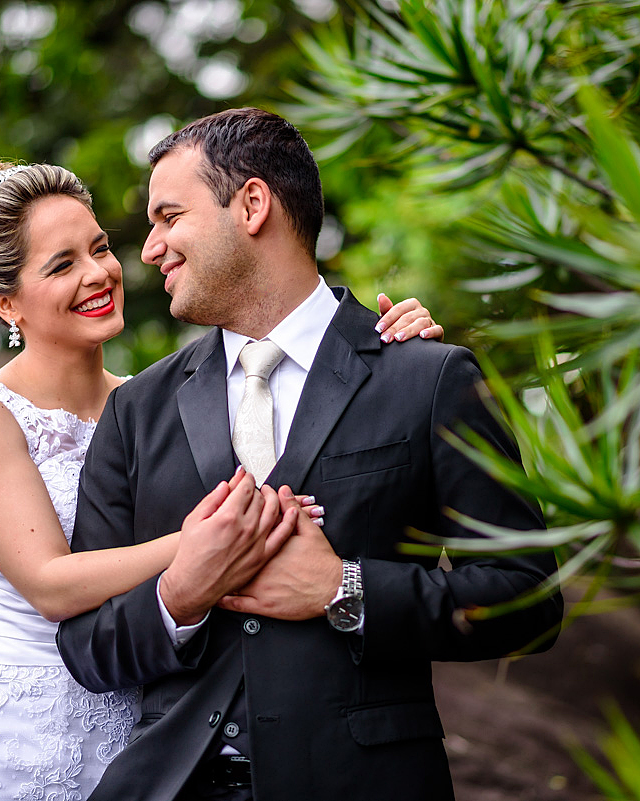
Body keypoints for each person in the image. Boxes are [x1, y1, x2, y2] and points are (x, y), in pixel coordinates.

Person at [55, 108, 563, 801]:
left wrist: (343, 589)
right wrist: (181, 592)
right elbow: (86, 644)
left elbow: (528, 599)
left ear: (253, 204)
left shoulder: (425, 376)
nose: (150, 248)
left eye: (169, 216)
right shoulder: (137, 411)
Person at [0, 153, 443, 801]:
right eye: (62, 264)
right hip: (9, 718)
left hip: (140, 731)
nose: (100, 273)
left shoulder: (157, 402)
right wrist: (208, 545)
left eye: (99, 248)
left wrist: (379, 347)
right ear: (3, 302)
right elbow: (50, 584)